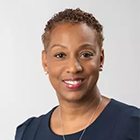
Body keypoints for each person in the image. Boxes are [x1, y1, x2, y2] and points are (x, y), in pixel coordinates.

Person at [15, 8, 140, 140]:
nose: (74, 68)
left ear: (101, 59)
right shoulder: (28, 133)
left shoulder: (132, 126)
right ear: (45, 61)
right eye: (60, 55)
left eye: (85, 54)